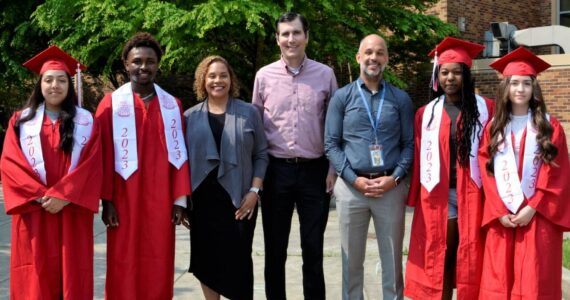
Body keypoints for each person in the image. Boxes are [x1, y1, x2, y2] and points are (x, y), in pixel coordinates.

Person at [0, 45, 102, 299]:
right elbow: (10, 163)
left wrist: (64, 195)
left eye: (61, 80)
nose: (54, 86)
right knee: (35, 276)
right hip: (34, 210)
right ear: (40, 85)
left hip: (72, 210)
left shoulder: (86, 122)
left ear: (69, 86)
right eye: (48, 80)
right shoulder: (21, 121)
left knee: (73, 274)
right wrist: (41, 196)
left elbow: (93, 163)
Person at [95, 32, 191, 299]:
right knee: (123, 257)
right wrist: (107, 201)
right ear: (126, 64)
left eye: (150, 61)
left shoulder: (172, 105)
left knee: (159, 256)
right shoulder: (110, 105)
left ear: (158, 64)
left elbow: (181, 155)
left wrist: (179, 200)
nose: (143, 67)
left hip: (161, 199)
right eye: (137, 61)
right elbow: (101, 156)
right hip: (123, 198)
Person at [252, 11, 338, 299]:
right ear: (277, 39)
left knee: (313, 248)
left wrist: (333, 168)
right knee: (275, 249)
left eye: (296, 33)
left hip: (316, 171)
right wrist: (258, 175)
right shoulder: (263, 76)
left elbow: (334, 125)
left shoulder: (325, 75)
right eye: (285, 34)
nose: (291, 39)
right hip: (276, 172)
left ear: (306, 36)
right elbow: (256, 128)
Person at [325, 34, 414, 300]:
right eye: (368, 52)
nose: (373, 58)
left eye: (379, 53)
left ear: (386, 58)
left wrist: (395, 178)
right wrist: (354, 179)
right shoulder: (342, 98)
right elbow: (331, 144)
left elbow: (409, 144)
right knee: (351, 260)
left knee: (392, 259)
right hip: (352, 189)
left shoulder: (400, 99)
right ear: (358, 57)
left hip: (390, 188)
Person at [404, 37, 494, 300]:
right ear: (437, 75)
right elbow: (420, 155)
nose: (450, 78)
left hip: (476, 194)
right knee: (442, 253)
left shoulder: (486, 109)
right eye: (444, 72)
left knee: (471, 255)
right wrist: (415, 196)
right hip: (439, 195)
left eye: (456, 72)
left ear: (466, 75)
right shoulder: (426, 113)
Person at [477, 47, 570, 299]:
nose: (520, 89)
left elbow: (556, 173)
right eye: (514, 83)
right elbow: (488, 175)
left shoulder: (550, 127)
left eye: (526, 83)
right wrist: (498, 210)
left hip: (537, 215)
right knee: (500, 279)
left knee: (534, 278)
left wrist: (533, 207)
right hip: (503, 216)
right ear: (505, 87)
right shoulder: (493, 129)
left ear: (534, 88)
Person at [184, 55, 268, 300]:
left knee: (238, 263)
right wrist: (181, 203)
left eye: (223, 75)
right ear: (203, 80)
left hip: (240, 201)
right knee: (206, 263)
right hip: (202, 203)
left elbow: (261, 155)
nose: (217, 80)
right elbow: (181, 162)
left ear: (231, 79)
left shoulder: (249, 113)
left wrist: (254, 192)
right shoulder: (188, 117)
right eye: (212, 76)